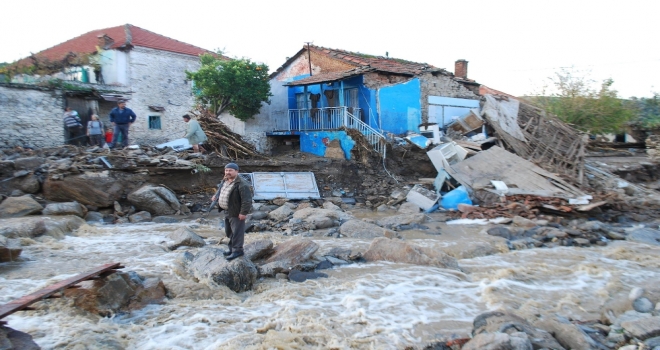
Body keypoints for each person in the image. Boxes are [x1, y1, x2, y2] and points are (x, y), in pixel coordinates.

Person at [211, 163, 252, 261]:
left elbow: (247, 200)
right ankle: (231, 249)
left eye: (230, 170)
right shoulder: (225, 180)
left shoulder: (242, 184)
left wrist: (243, 213)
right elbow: (221, 189)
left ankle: (238, 251)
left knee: (237, 232)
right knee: (229, 231)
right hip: (227, 210)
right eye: (226, 170)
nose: (228, 172)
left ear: (237, 171)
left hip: (236, 212)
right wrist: (216, 196)